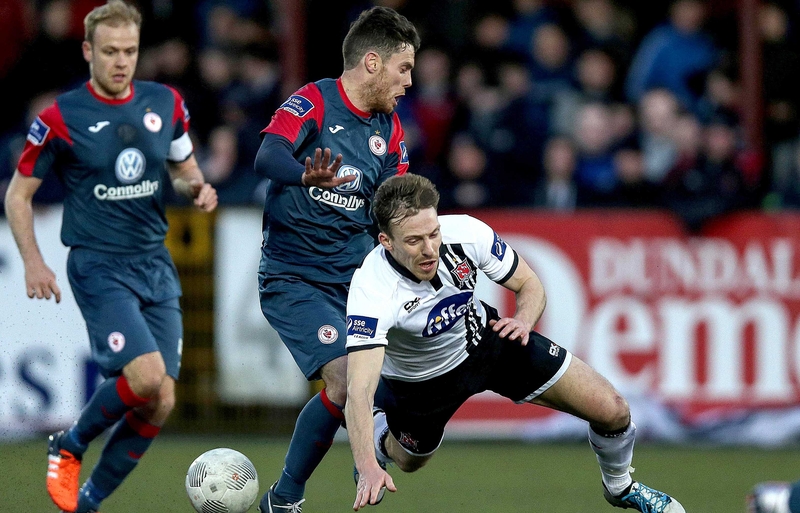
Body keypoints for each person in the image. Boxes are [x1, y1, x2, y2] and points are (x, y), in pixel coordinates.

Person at [344, 174, 686, 512]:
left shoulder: (467, 232)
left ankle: (621, 487)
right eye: (415, 240)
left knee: (613, 409)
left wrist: (523, 320)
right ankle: (378, 432)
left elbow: (530, 284)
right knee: (409, 461)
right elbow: (358, 391)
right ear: (386, 241)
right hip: (421, 384)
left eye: (434, 233)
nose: (430, 248)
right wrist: (368, 467)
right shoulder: (371, 289)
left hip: (489, 342)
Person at [3, 2, 218, 512]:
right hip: (99, 264)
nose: (121, 62)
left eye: (129, 51)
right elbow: (17, 195)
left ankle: (92, 500)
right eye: (110, 52)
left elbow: (183, 166)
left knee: (161, 399)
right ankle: (70, 443)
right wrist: (34, 261)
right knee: (144, 377)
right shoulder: (61, 117)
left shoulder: (165, 101)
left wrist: (198, 188)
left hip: (154, 263)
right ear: (88, 51)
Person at [253, 6, 419, 512]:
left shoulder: (389, 132)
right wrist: (304, 174)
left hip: (357, 281)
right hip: (293, 277)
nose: (409, 82)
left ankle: (291, 493)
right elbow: (266, 156)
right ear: (372, 62)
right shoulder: (314, 102)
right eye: (403, 69)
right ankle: (287, 497)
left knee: (387, 384)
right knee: (346, 378)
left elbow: (395, 209)